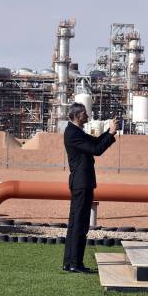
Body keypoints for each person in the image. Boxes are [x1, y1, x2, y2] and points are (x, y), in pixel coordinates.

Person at [62, 102, 117, 273]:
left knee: (75, 224)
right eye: (85, 114)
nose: (87, 116)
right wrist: (112, 133)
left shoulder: (76, 131)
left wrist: (109, 132)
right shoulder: (73, 133)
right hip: (81, 182)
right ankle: (75, 264)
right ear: (77, 116)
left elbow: (94, 142)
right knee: (80, 224)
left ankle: (70, 262)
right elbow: (96, 149)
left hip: (81, 182)